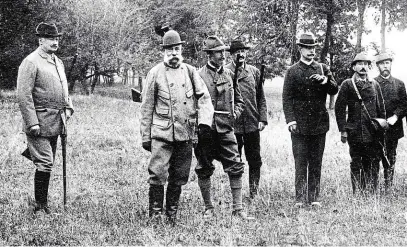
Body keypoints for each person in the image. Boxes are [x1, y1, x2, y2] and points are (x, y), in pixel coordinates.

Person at [140, 30, 214, 223]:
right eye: (170, 50)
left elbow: (204, 98)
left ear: (181, 50)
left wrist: (204, 124)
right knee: (157, 174)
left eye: (177, 49)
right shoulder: (155, 73)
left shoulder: (190, 72)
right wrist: (145, 136)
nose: (174, 53)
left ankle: (171, 214)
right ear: (164, 51)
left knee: (180, 176)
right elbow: (146, 107)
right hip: (161, 134)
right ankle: (155, 215)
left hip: (185, 134)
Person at [17, 22, 74, 214]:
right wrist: (32, 122)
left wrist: (69, 107)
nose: (55, 42)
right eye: (51, 38)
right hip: (39, 123)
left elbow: (64, 90)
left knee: (46, 162)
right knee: (45, 162)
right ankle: (40, 207)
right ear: (41, 40)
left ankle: (41, 203)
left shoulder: (58, 62)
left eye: (57, 38)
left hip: (56, 122)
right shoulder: (31, 62)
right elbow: (23, 95)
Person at [195, 36, 253, 220]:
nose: (223, 55)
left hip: (226, 129)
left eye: (223, 52)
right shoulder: (198, 76)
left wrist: (235, 114)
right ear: (209, 55)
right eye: (218, 52)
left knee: (236, 165)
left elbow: (240, 100)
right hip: (206, 130)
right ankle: (208, 208)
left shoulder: (229, 75)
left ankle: (238, 209)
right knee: (204, 167)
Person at [282, 33, 338, 207]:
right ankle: (299, 198)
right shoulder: (292, 71)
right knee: (300, 161)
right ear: (300, 49)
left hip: (319, 124)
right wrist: (291, 121)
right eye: (308, 47)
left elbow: (334, 89)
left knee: (316, 161)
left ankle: (314, 197)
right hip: (299, 125)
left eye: (314, 47)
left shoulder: (323, 68)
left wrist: (325, 81)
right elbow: (286, 98)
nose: (311, 51)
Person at [335, 52, 386, 194]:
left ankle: (372, 191)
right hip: (355, 131)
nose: (363, 67)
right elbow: (339, 109)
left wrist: (382, 128)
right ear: (354, 67)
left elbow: (381, 108)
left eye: (366, 64)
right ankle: (357, 192)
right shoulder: (347, 84)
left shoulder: (375, 84)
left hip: (372, 131)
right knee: (356, 162)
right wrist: (343, 130)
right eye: (360, 64)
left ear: (369, 67)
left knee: (373, 161)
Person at [225, 39, 268, 199]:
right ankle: (236, 194)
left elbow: (261, 97)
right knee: (235, 160)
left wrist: (262, 118)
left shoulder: (254, 72)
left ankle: (253, 193)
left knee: (255, 160)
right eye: (237, 52)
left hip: (252, 123)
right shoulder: (225, 72)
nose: (241, 54)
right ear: (231, 55)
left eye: (243, 51)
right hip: (234, 125)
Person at [374, 52, 407, 191]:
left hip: (394, 127)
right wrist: (377, 120)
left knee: (391, 156)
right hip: (377, 127)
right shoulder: (373, 83)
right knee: (376, 155)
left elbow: (404, 104)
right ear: (378, 66)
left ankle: (388, 185)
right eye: (382, 63)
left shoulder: (399, 84)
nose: (385, 66)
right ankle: (373, 186)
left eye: (387, 63)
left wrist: (396, 116)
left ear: (391, 64)